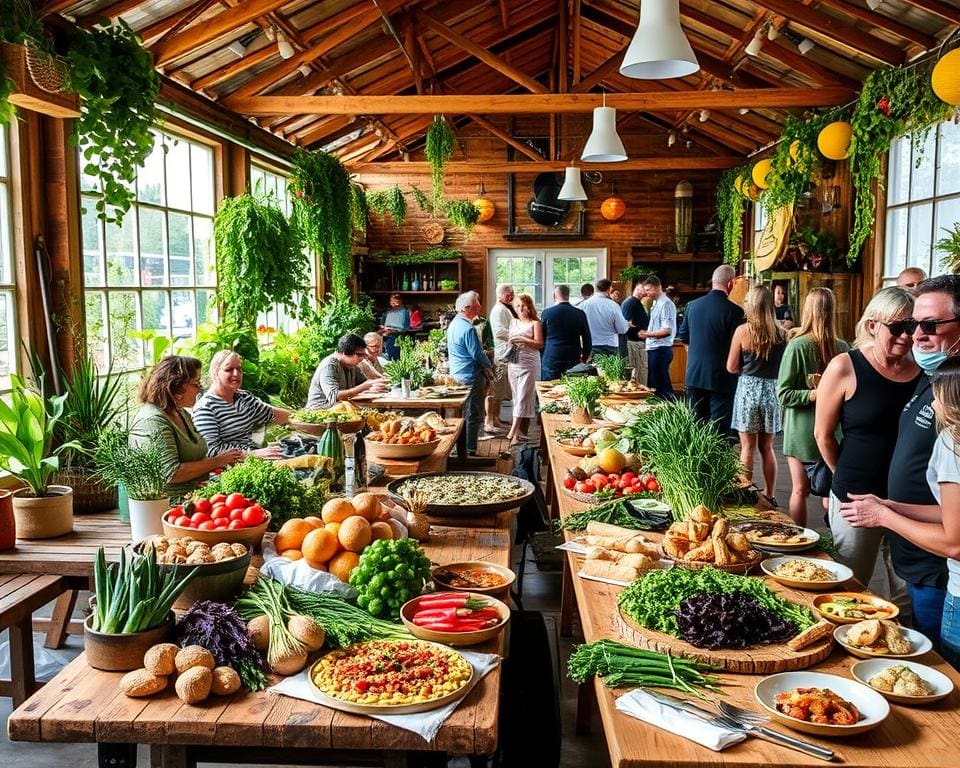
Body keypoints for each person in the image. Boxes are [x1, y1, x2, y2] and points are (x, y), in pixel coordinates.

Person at [842, 276, 960, 645]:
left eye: (930, 325)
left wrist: (884, 515)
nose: (916, 336)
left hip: (939, 565)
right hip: (920, 549)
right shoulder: (933, 375)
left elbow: (955, 540)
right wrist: (890, 506)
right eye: (911, 325)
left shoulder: (953, 399)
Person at [814, 286, 922, 594]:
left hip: (909, 499)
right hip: (856, 496)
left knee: (906, 589)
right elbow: (823, 435)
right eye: (897, 327)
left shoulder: (923, 373)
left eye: (912, 327)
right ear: (873, 325)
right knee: (850, 583)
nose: (906, 335)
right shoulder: (845, 366)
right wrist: (843, 474)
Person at [776, 288, 850, 526]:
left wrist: (816, 394)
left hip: (804, 431)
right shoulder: (843, 348)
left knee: (801, 491)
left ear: (807, 310)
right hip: (830, 432)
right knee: (829, 490)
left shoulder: (800, 346)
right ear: (833, 312)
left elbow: (783, 393)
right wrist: (822, 394)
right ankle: (836, 545)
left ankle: (800, 545)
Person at [130, 356, 245, 499]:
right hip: (170, 504)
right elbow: (171, 473)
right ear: (177, 385)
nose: (200, 389)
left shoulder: (179, 412)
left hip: (197, 492)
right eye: (196, 383)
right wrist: (218, 461)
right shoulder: (152, 421)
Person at [726, 285, 787, 503]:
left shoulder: (743, 331)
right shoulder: (781, 333)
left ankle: (746, 495)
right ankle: (770, 494)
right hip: (772, 391)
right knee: (767, 448)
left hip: (748, 391)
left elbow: (731, 367)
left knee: (747, 448)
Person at [676, 265, 742, 431]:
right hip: (722, 378)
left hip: (694, 375)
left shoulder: (692, 306)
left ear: (713, 282)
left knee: (695, 427)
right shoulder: (735, 311)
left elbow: (683, 337)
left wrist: (694, 355)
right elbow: (740, 345)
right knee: (719, 429)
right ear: (731, 283)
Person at [192, 350, 290, 457]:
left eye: (239, 369)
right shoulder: (205, 408)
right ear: (215, 372)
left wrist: (300, 419)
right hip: (225, 468)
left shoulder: (243, 398)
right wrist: (252, 454)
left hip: (252, 458)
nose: (236, 374)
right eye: (229, 369)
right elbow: (211, 451)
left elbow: (272, 414)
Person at [447, 291, 494, 456]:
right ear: (467, 308)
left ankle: (458, 448)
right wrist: (489, 368)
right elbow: (477, 354)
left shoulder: (453, 324)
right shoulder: (468, 328)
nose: (480, 306)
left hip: (457, 374)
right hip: (470, 375)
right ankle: (469, 449)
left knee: (461, 414)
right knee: (473, 413)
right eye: (477, 304)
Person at [306, 333, 386, 409]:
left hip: (342, 409)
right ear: (344, 353)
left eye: (364, 355)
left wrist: (374, 386)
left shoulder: (353, 365)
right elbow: (334, 396)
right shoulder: (330, 365)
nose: (362, 359)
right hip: (320, 412)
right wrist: (364, 387)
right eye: (359, 355)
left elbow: (364, 383)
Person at [506, 293, 543, 445]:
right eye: (518, 306)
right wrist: (511, 343)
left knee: (523, 397)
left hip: (529, 364)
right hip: (514, 363)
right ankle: (518, 435)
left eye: (523, 305)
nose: (520, 308)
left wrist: (523, 339)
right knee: (516, 398)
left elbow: (539, 344)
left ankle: (512, 430)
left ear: (529, 307)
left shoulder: (535, 324)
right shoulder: (513, 322)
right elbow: (510, 340)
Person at [540, 284, 592, 381]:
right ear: (568, 295)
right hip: (573, 356)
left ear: (555, 296)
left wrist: (542, 356)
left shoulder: (547, 313)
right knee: (572, 389)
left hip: (552, 355)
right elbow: (587, 338)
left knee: (549, 389)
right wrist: (584, 357)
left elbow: (541, 338)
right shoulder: (579, 314)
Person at [638, 275, 677, 399]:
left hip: (661, 349)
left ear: (656, 287)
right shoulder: (656, 303)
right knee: (655, 383)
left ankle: (669, 410)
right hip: (655, 348)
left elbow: (667, 330)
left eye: (648, 290)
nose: (646, 293)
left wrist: (646, 334)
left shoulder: (665, 304)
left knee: (661, 386)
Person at [486, 284, 517, 436]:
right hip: (501, 354)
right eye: (508, 294)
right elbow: (498, 332)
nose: (511, 296)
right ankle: (489, 422)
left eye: (512, 293)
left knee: (500, 389)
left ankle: (496, 418)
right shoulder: (498, 310)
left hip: (507, 353)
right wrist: (518, 333)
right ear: (500, 295)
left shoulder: (506, 308)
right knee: (496, 389)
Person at [580, 278, 628, 356]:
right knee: (610, 368)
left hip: (591, 344)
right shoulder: (614, 306)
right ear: (609, 289)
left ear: (596, 289)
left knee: (592, 368)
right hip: (610, 345)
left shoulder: (584, 305)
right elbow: (622, 329)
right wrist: (626, 324)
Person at [621, 283, 650, 387]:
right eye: (645, 289)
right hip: (633, 343)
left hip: (638, 343)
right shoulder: (630, 303)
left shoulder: (637, 303)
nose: (647, 291)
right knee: (636, 373)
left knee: (641, 371)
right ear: (638, 288)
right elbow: (625, 324)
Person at [380, 293, 411, 361]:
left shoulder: (404, 312)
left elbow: (404, 328)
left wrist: (391, 330)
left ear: (400, 302)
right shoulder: (388, 312)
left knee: (395, 358)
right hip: (386, 339)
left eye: (396, 302)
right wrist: (384, 329)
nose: (394, 303)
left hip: (397, 339)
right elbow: (382, 324)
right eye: (392, 301)